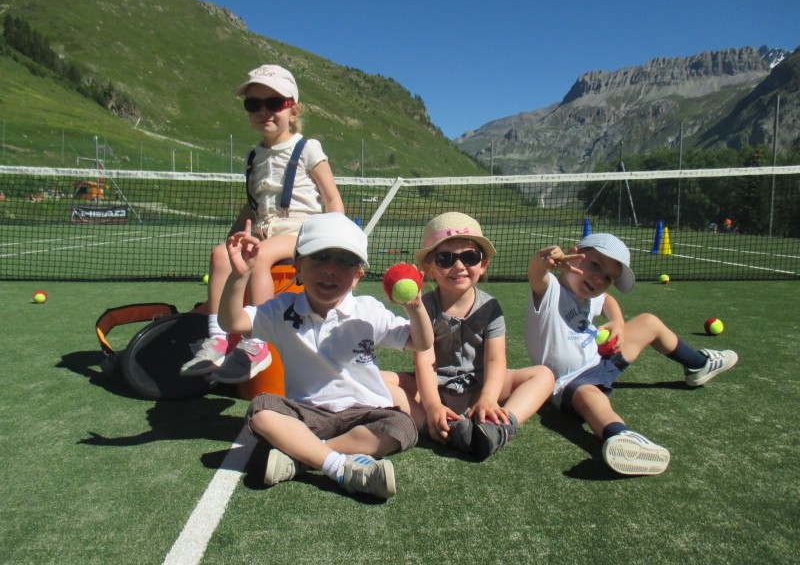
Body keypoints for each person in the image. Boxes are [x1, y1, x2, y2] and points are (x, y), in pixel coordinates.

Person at [218, 212, 434, 499]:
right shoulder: (281, 309)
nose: (330, 269)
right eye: (320, 257)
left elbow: (421, 341)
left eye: (345, 261)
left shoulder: (368, 310)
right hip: (308, 414)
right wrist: (239, 276)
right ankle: (339, 466)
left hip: (365, 413)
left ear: (357, 276)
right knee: (261, 410)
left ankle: (304, 457)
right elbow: (232, 323)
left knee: (401, 425)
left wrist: (415, 307)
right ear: (298, 267)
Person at [524, 232, 738, 476]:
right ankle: (621, 436)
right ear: (574, 256)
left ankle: (699, 364)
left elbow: (606, 300)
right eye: (594, 264)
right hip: (570, 382)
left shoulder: (591, 295)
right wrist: (548, 258)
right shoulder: (550, 289)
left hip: (600, 360)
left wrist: (618, 322)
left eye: (608, 277)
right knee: (592, 398)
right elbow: (537, 271)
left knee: (649, 322)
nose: (598, 279)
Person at [181, 64, 344, 384]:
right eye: (253, 104)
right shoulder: (253, 156)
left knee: (260, 257)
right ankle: (219, 337)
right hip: (262, 227)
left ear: (293, 110)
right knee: (220, 255)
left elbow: (332, 198)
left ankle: (258, 341)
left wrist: (333, 242)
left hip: (301, 227)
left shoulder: (307, 148)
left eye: (274, 103)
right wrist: (231, 243)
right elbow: (252, 205)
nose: (264, 111)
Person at [382, 212, 555, 460]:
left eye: (470, 257)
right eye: (445, 258)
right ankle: (439, 428)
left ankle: (501, 427)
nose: (459, 266)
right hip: (435, 388)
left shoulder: (490, 307)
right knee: (378, 379)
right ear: (429, 268)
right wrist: (432, 406)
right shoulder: (425, 307)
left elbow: (495, 360)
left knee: (544, 374)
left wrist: (487, 398)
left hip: (481, 385)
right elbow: (425, 361)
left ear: (483, 264)